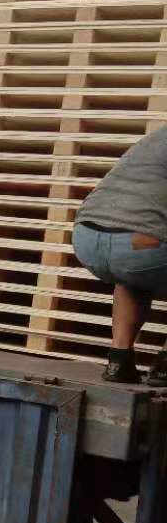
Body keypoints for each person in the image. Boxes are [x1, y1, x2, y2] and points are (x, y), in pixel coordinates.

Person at [73, 126, 167, 384]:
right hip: (139, 242)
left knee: (133, 274)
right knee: (142, 256)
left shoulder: (157, 137)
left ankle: (119, 361)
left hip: (87, 236)